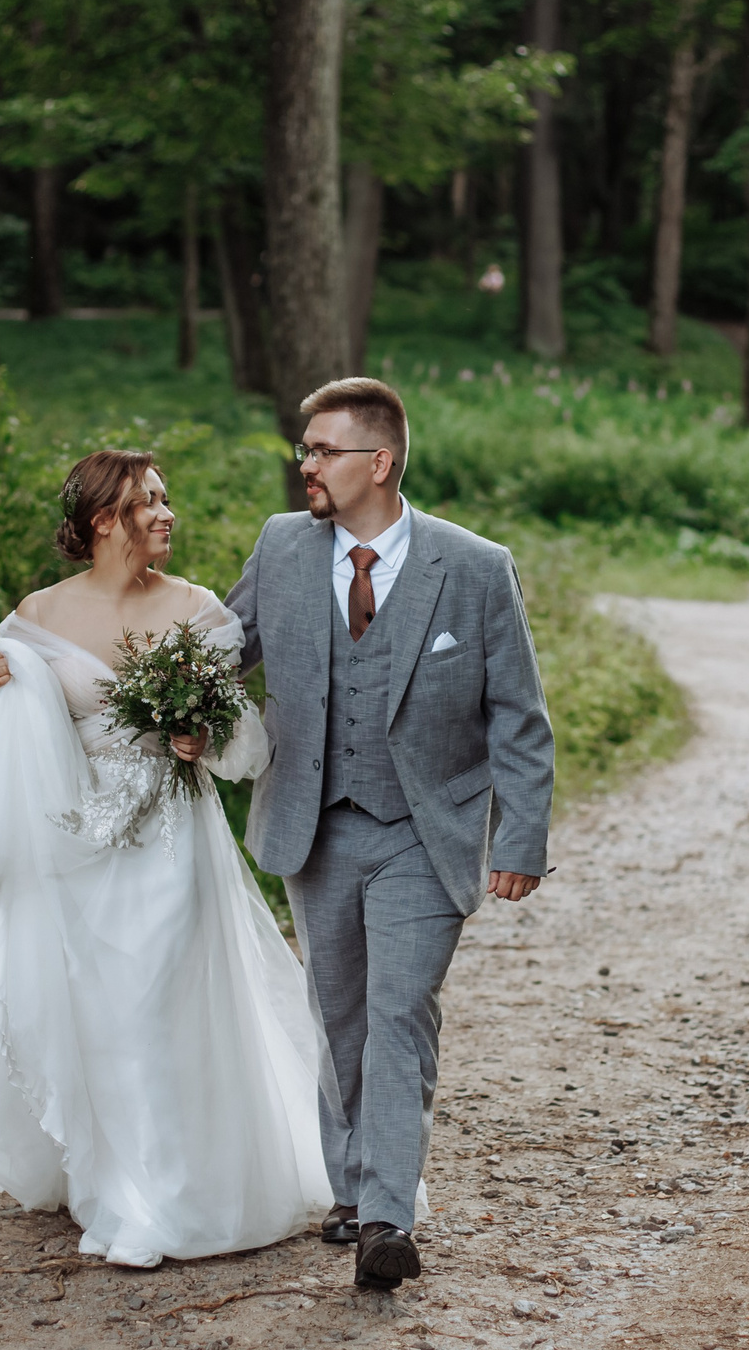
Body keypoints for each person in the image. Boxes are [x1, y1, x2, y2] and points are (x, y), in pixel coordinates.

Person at [0, 450, 331, 1269]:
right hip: (70, 842)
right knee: (96, 1010)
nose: (166, 513)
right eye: (148, 501)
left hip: (170, 839)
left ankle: (157, 1200)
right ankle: (107, 1172)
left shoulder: (198, 612)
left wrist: (207, 736)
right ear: (102, 521)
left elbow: (248, 744)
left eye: (165, 498)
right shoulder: (37, 614)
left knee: (157, 1003)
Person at [226, 376, 554, 1291]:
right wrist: (89, 653)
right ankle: (349, 1189)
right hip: (313, 825)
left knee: (399, 1013)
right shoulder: (284, 547)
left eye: (322, 450)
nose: (306, 465)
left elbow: (517, 715)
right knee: (339, 1018)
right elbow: (221, 649)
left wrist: (520, 837)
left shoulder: (476, 566)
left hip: (426, 828)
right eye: (305, 449)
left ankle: (386, 1217)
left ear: (380, 460)